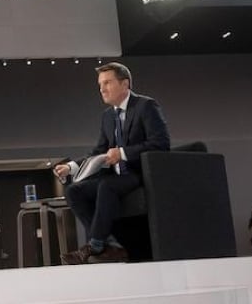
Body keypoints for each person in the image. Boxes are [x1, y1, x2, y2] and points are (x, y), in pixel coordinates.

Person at [54, 62, 170, 264]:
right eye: (100, 84)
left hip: (139, 173)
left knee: (106, 186)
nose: (102, 88)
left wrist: (123, 153)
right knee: (74, 191)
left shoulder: (146, 106)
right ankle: (107, 245)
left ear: (125, 84)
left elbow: (161, 143)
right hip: (115, 176)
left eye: (107, 83)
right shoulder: (107, 116)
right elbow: (99, 151)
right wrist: (71, 167)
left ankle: (95, 245)